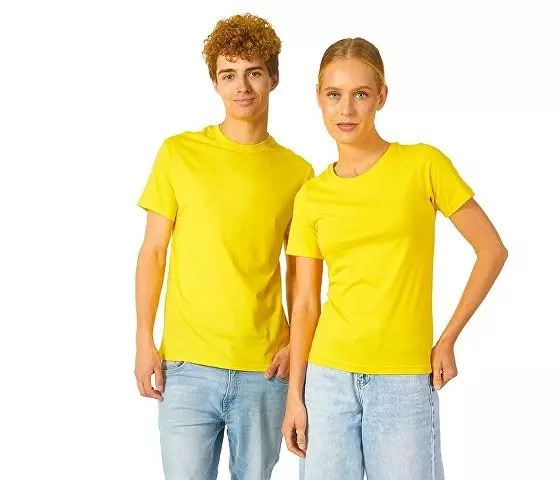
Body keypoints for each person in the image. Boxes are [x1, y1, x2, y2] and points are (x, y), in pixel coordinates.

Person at [281, 37, 508, 480]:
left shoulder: (423, 164)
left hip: (403, 381)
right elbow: (305, 304)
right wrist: (295, 397)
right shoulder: (311, 195)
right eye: (334, 94)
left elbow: (491, 250)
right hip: (327, 381)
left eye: (361, 94)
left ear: (381, 96)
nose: (346, 109)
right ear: (318, 98)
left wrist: (447, 339)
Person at [134, 14, 314, 480]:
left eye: (254, 72)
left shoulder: (297, 173)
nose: (242, 87)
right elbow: (153, 252)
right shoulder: (178, 154)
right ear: (215, 82)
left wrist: (295, 343)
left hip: (264, 370)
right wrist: (143, 339)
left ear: (273, 78)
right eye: (229, 74)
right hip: (187, 367)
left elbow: (301, 274)